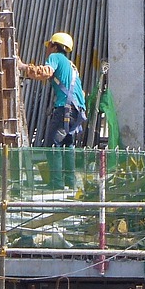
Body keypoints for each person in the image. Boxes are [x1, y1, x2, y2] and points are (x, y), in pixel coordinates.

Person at [19, 32, 86, 189]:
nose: (47, 49)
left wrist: (23, 67)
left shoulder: (55, 58)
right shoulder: (71, 65)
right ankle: (70, 182)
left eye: (49, 46)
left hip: (65, 109)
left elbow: (46, 72)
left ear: (54, 46)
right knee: (67, 144)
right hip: (77, 111)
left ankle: (57, 184)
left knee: (52, 145)